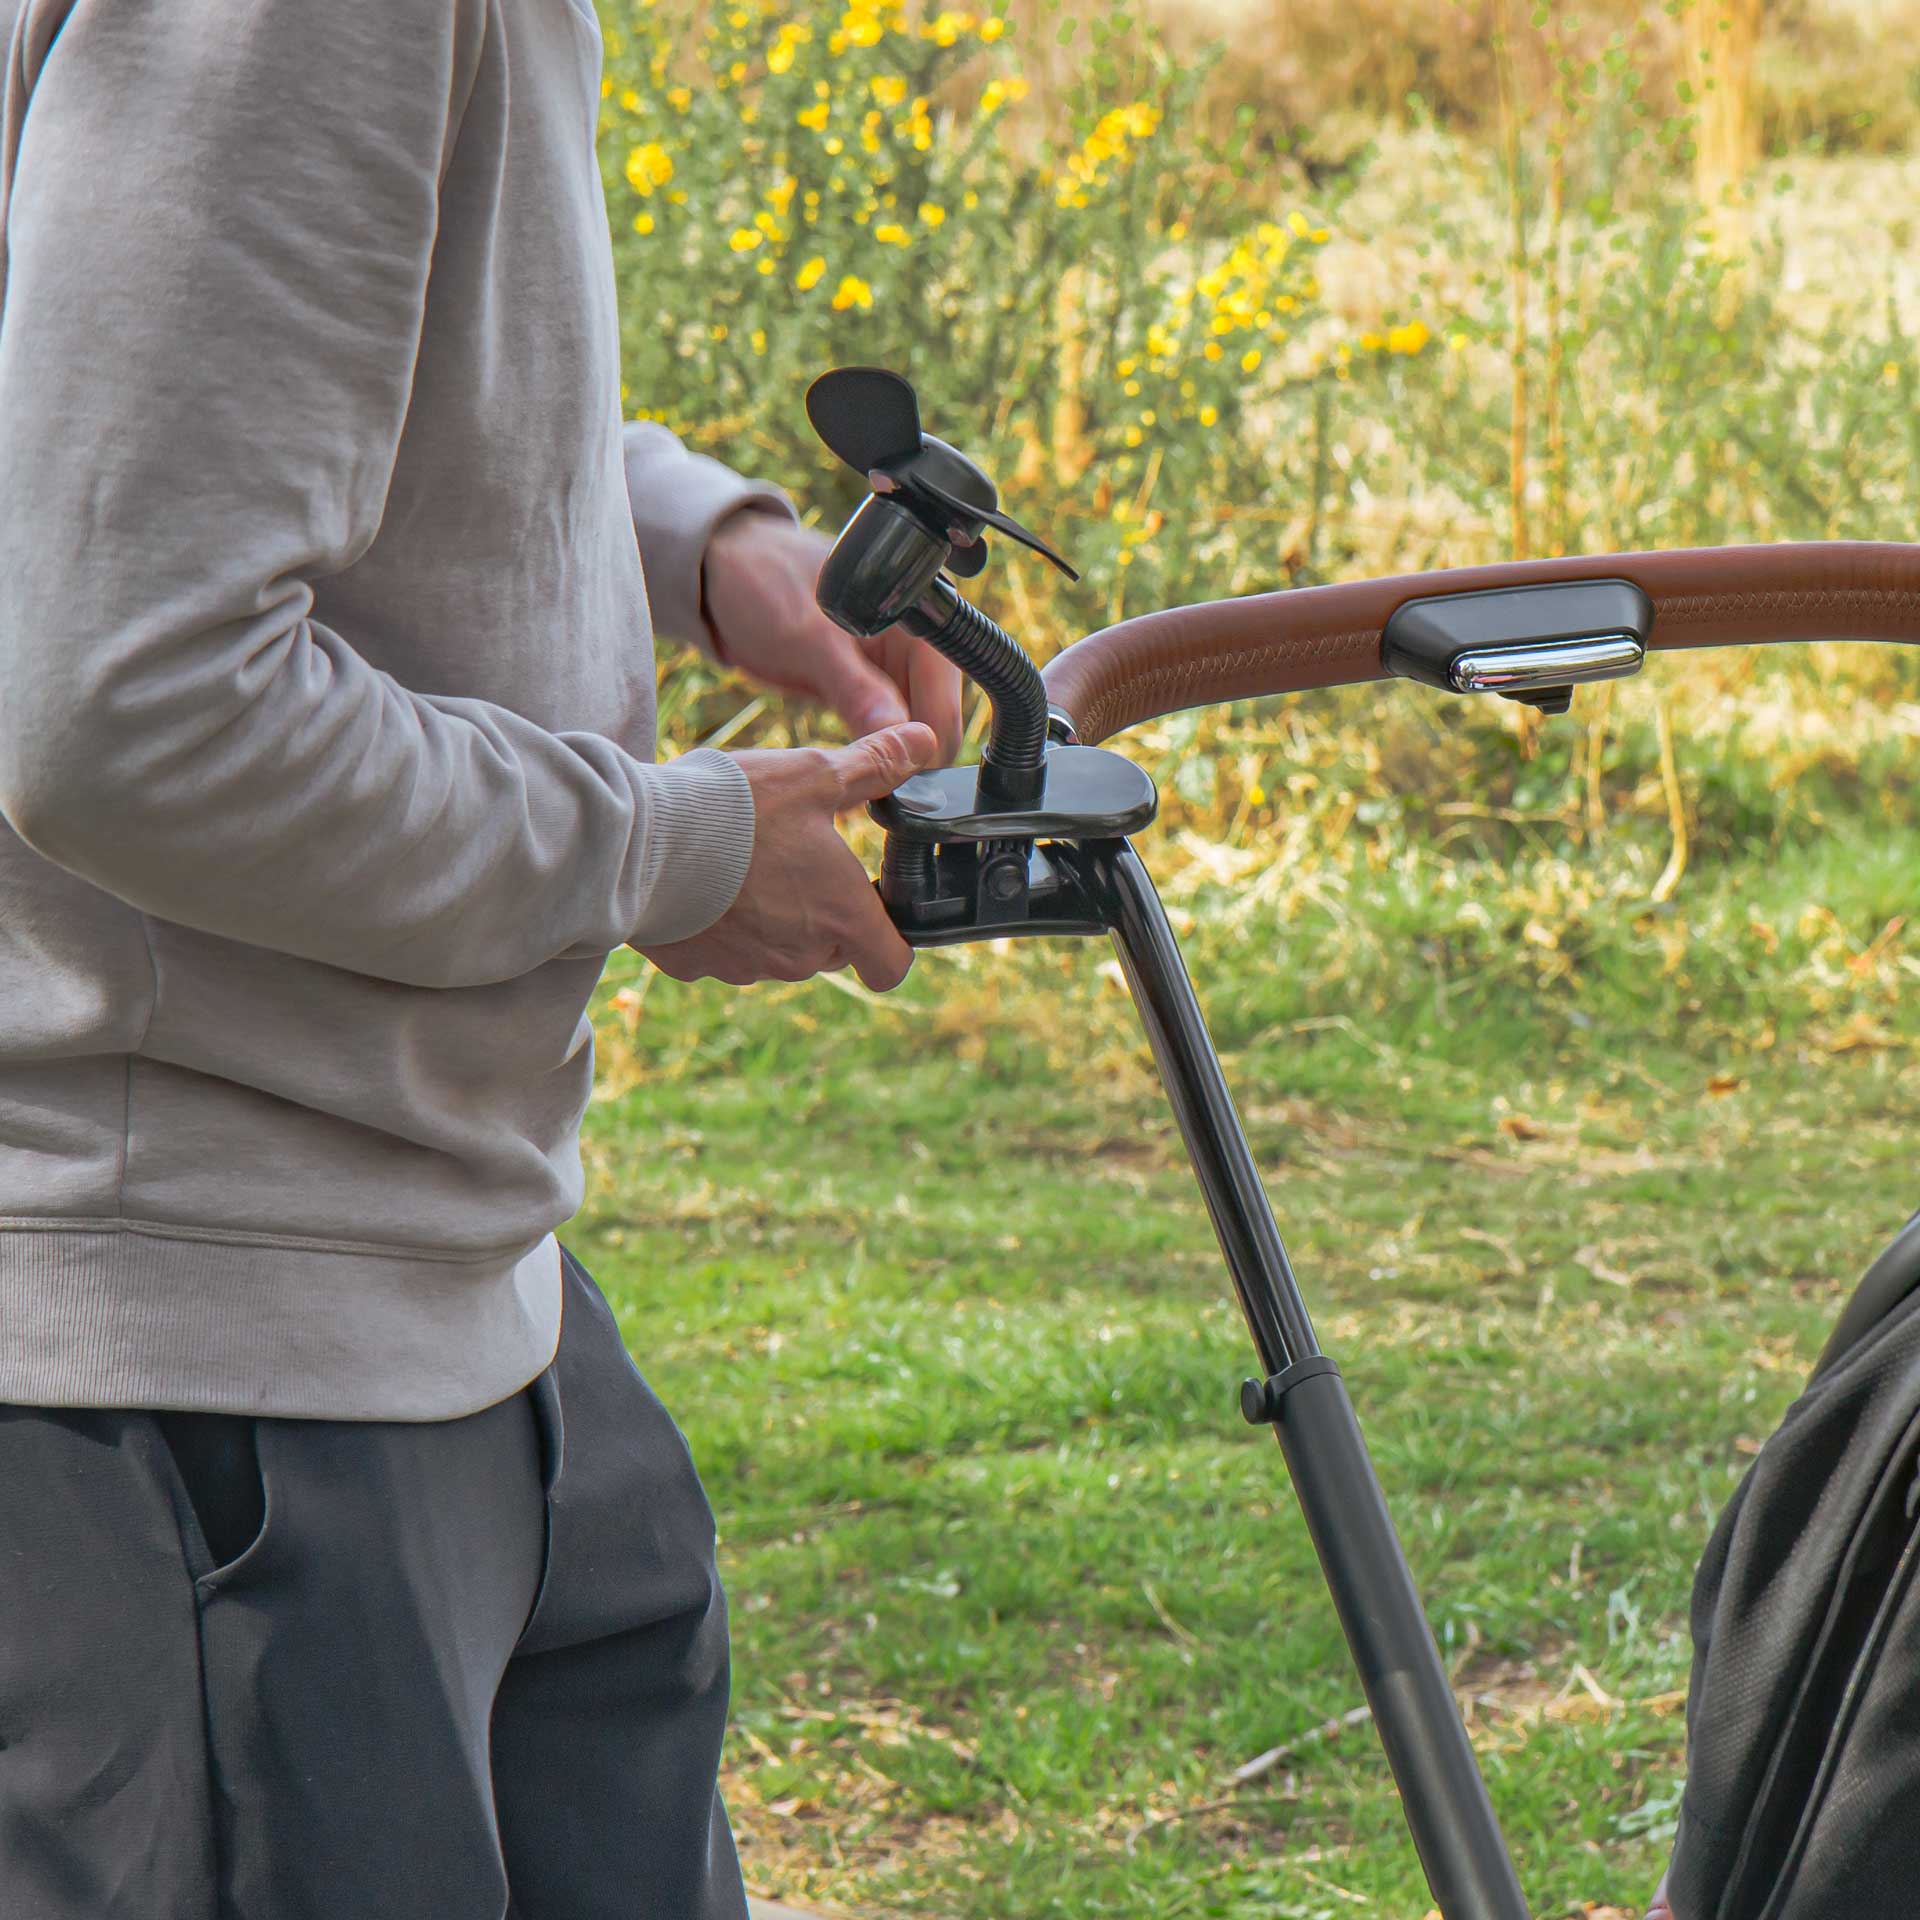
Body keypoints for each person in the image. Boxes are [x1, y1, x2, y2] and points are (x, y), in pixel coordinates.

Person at [0, 2, 961, 1914]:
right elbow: (127, 710)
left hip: (446, 1275)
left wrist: (689, 543)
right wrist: (659, 853)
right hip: (203, 1359)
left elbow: (187, 370)